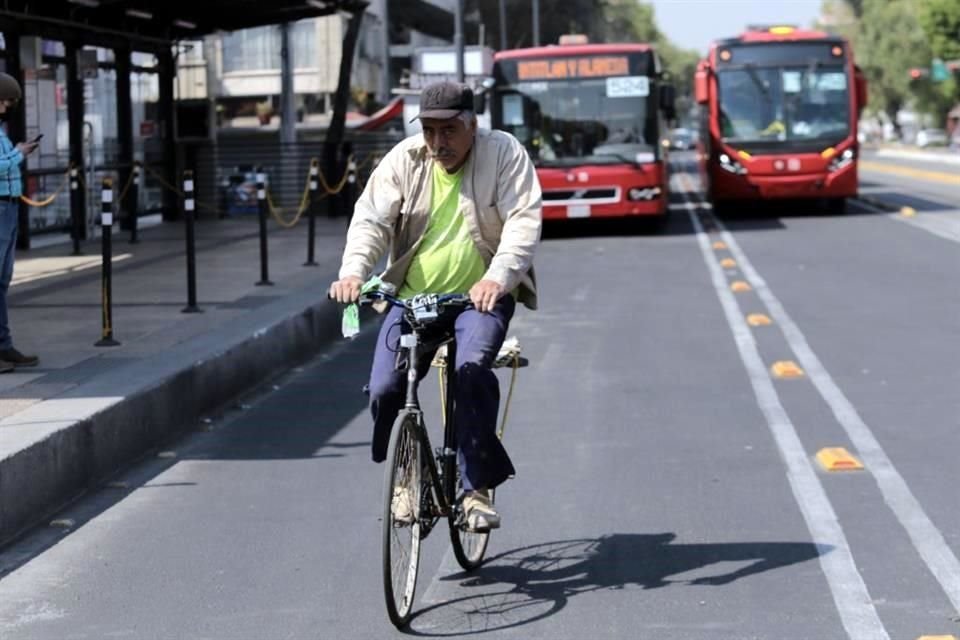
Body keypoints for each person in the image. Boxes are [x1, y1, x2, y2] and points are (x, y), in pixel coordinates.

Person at [328, 81, 541, 531]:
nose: (438, 142)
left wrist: (497, 278)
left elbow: (523, 221)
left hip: (478, 299)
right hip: (412, 301)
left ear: (472, 124)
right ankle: (409, 476)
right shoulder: (405, 160)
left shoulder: (503, 153)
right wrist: (352, 272)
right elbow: (371, 220)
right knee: (386, 387)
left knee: (471, 369)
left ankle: (476, 489)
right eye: (429, 130)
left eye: (448, 130)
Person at [0, 72, 39, 372]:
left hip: (9, 207)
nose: (6, 107)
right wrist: (19, 153)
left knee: (2, 280)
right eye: (4, 101)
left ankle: (4, 345)